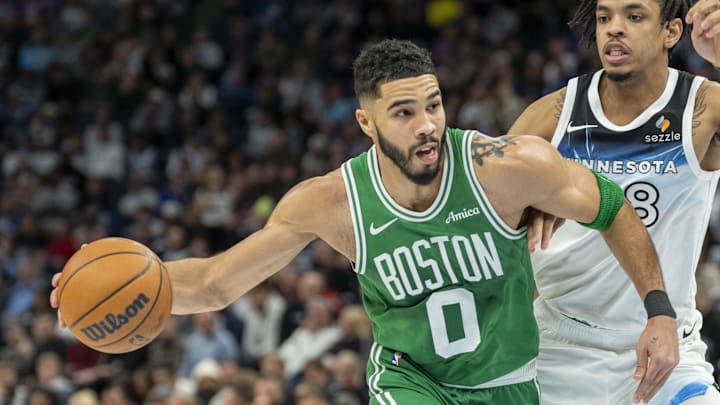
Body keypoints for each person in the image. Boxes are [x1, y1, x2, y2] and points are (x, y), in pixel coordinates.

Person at [51, 39, 678, 404]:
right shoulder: (332, 202)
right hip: (410, 380)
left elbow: (612, 207)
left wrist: (660, 312)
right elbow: (216, 283)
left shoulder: (505, 167)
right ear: (366, 124)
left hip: (508, 378)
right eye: (403, 113)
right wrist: (119, 292)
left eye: (432, 104)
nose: (427, 123)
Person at [508, 0, 720, 404]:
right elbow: (481, 209)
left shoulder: (703, 108)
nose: (613, 29)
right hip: (558, 349)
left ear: (671, 33)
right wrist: (521, 204)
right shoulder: (554, 115)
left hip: (666, 347)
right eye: (605, 18)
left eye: (634, 16)